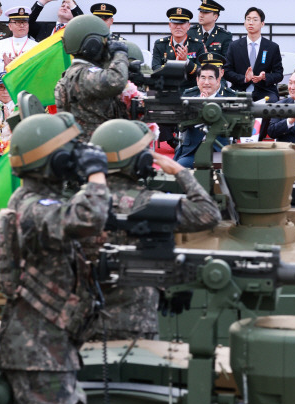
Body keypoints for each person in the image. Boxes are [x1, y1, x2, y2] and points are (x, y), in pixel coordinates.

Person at [0, 112, 110, 404]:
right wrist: (96, 173)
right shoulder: (33, 207)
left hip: (48, 346)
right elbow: (89, 216)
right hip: (38, 354)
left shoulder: (41, 201)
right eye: (68, 153)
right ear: (52, 161)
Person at [89, 119, 222, 340]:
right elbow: (209, 213)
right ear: (139, 161)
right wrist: (181, 172)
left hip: (87, 321)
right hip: (137, 323)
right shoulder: (150, 203)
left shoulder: (81, 204)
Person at [55, 14, 129, 140]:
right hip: (93, 147)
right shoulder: (81, 74)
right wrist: (120, 55)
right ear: (92, 45)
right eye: (105, 42)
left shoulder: (76, 73)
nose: (107, 47)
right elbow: (116, 81)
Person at [151, 7, 202, 148]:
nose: (178, 27)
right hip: (169, 88)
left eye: (182, 23)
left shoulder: (197, 45)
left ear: (188, 26)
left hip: (190, 88)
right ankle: (170, 139)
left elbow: (201, 71)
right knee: (155, 101)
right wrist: (174, 65)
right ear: (169, 25)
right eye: (175, 23)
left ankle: (190, 138)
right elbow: (155, 68)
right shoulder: (160, 44)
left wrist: (186, 61)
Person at [174, 63, 237, 168]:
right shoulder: (188, 101)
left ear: (217, 81)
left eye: (210, 78)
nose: (206, 82)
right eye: (203, 78)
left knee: (229, 172)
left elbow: (233, 128)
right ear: (197, 80)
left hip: (219, 150)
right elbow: (180, 126)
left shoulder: (226, 102)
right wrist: (198, 106)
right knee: (179, 169)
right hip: (192, 152)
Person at [224, 6, 284, 102]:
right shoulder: (234, 46)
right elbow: (227, 72)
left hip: (264, 90)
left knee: (271, 102)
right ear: (244, 23)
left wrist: (265, 77)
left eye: (255, 20)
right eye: (248, 19)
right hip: (239, 90)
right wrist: (244, 78)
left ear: (262, 24)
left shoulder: (272, 47)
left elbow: (279, 74)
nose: (251, 22)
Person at [0, 7, 37, 77]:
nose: (22, 25)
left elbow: (39, 70)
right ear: (10, 26)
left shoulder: (36, 46)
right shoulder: (0, 44)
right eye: (17, 22)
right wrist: (5, 66)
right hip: (3, 85)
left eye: (25, 22)